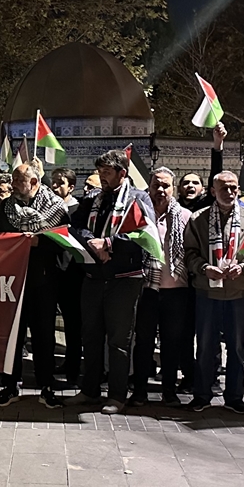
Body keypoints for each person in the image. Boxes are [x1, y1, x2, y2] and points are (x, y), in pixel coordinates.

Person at [0, 162, 69, 408]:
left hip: (43, 280)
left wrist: (38, 245)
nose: (14, 185)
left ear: (34, 182)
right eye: (14, 180)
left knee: (44, 336)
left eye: (19, 181)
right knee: (12, 336)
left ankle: (46, 386)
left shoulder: (55, 208)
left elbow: (65, 243)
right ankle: (11, 385)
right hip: (13, 282)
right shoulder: (6, 207)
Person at [71, 149, 159, 415]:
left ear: (123, 173)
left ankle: (117, 395)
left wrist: (110, 243)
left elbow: (146, 236)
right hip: (94, 279)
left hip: (124, 280)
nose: (102, 177)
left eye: (107, 173)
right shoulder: (92, 199)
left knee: (119, 341)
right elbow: (75, 226)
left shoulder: (138, 198)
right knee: (91, 336)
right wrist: (92, 242)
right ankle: (89, 390)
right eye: (100, 172)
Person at [183, 171, 244, 414]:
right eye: (223, 188)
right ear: (213, 191)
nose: (229, 192)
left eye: (233, 187)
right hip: (207, 292)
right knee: (205, 346)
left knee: (237, 346)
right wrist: (204, 268)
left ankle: (235, 397)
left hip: (239, 292)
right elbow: (189, 253)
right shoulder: (198, 219)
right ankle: (202, 394)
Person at [131, 166, 193, 406]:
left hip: (176, 290)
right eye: (156, 185)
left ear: (173, 188)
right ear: (149, 186)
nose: (160, 190)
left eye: (165, 185)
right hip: (146, 289)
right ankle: (139, 391)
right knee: (143, 342)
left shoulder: (186, 216)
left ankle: (169, 391)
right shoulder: (139, 214)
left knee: (171, 343)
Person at [50, 166, 84, 383]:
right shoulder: (48, 209)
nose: (54, 186)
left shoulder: (79, 210)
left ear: (71, 187)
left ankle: (73, 365)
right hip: (51, 272)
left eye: (60, 183)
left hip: (72, 274)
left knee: (73, 323)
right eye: (53, 182)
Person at [177, 123, 227, 213]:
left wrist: (218, 143)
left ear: (203, 190)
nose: (190, 185)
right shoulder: (172, 208)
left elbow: (216, 175)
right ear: (178, 189)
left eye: (195, 183)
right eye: (186, 183)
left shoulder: (206, 207)